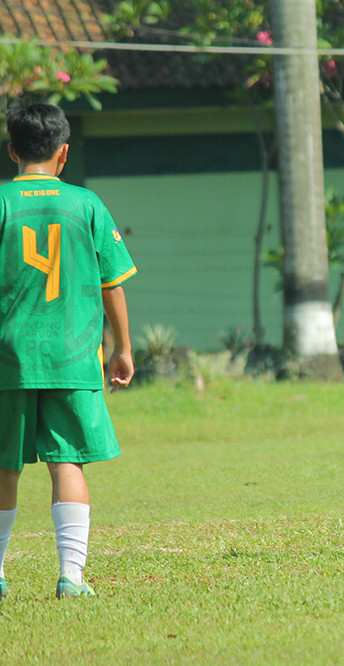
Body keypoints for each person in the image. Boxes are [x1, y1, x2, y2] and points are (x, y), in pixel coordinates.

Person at [0, 102, 137, 599]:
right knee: (68, 463)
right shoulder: (87, 205)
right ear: (63, 154)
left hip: (8, 358)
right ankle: (71, 579)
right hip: (74, 356)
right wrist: (122, 348)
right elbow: (113, 285)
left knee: (3, 465)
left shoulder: (1, 203)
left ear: (13, 150)